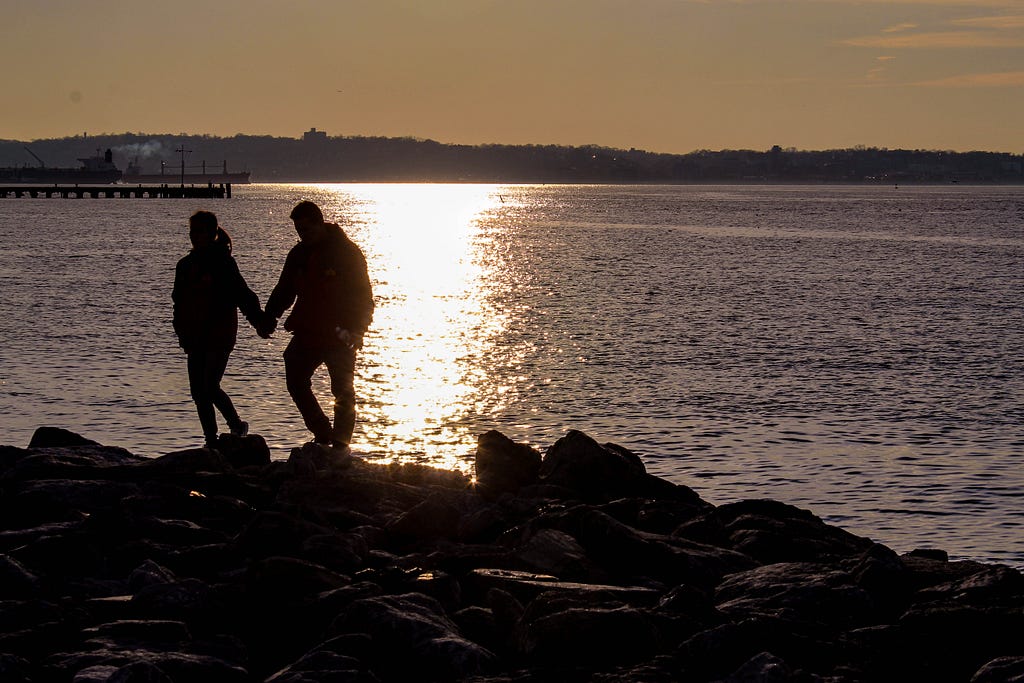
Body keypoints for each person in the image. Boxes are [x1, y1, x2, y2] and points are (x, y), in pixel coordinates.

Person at [260, 201, 374, 451]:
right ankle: (322, 431)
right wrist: (269, 318)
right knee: (295, 377)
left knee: (343, 391)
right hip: (308, 330)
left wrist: (359, 329)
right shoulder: (298, 254)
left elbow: (364, 296)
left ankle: (341, 446)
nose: (302, 235)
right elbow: (284, 290)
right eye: (299, 231)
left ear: (320, 223)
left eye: (306, 230)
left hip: (341, 333)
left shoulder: (347, 253)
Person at [173, 210, 265, 449]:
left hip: (220, 333)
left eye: (200, 231)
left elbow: (243, 294)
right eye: (192, 231)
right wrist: (181, 330)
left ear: (212, 234)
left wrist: (259, 321)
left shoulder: (223, 262)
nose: (195, 236)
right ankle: (210, 440)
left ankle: (236, 424)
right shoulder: (184, 265)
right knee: (198, 391)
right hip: (194, 336)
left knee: (209, 385)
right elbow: (178, 302)